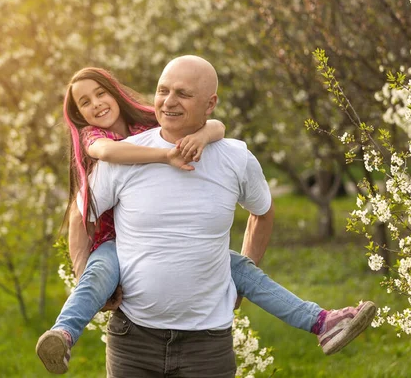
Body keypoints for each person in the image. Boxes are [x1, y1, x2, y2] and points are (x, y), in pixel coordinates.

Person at [36, 61, 376, 376]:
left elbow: (261, 209)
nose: (169, 101)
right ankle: (64, 332)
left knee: (244, 271)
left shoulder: (233, 157)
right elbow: (82, 214)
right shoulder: (113, 152)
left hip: (207, 344)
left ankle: (323, 322)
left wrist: (201, 136)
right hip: (132, 336)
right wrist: (86, 280)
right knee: (101, 269)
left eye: (183, 94)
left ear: (209, 103)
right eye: (163, 90)